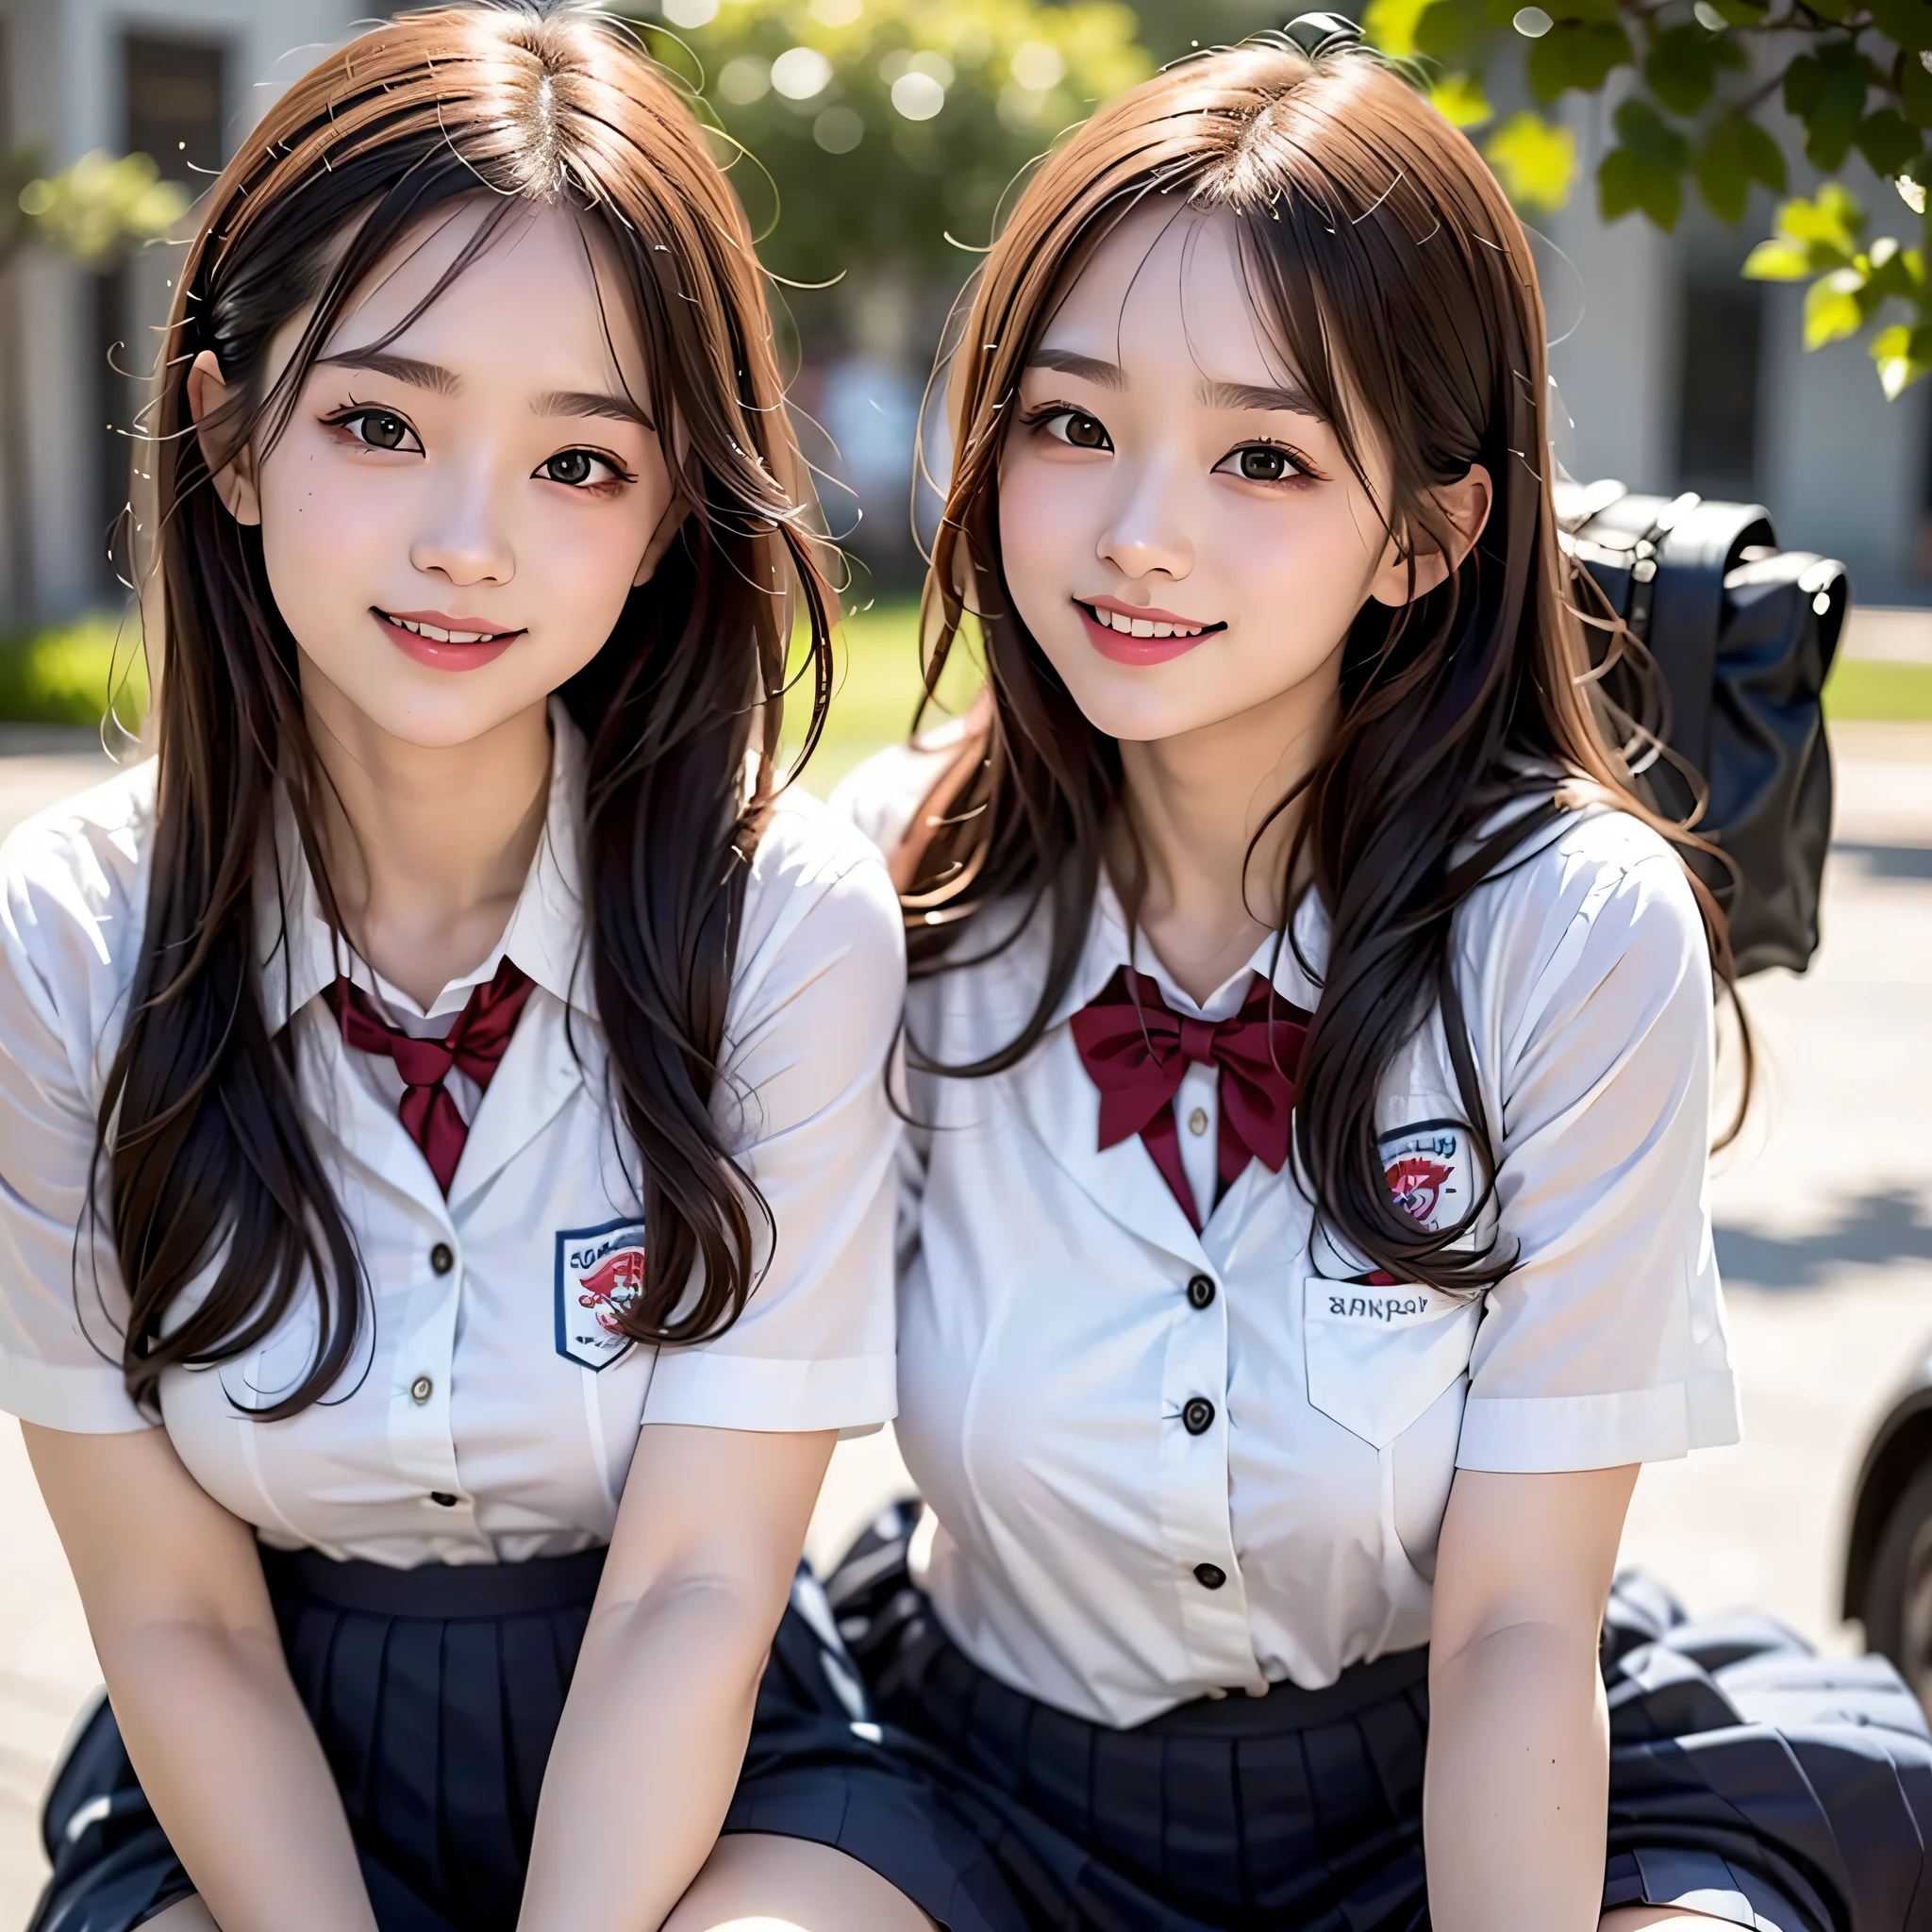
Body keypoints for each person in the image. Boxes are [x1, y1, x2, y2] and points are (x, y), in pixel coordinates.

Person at [663, 28, 1932, 1932]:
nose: (1135, 530)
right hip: (979, 1769)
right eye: (1069, 425)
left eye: (1262, 454)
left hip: (1455, 1751)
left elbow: (1516, 1627)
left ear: (1428, 533)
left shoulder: (1570, 928)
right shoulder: (886, 885)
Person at [0, 8, 904, 1931]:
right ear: (233, 438)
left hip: (708, 1742)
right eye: (380, 423)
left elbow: (695, 1586)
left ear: (671, 518)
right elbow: (170, 1615)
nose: (466, 541)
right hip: (253, 1753)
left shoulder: (784, 921)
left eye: (581, 464)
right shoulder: (69, 938)